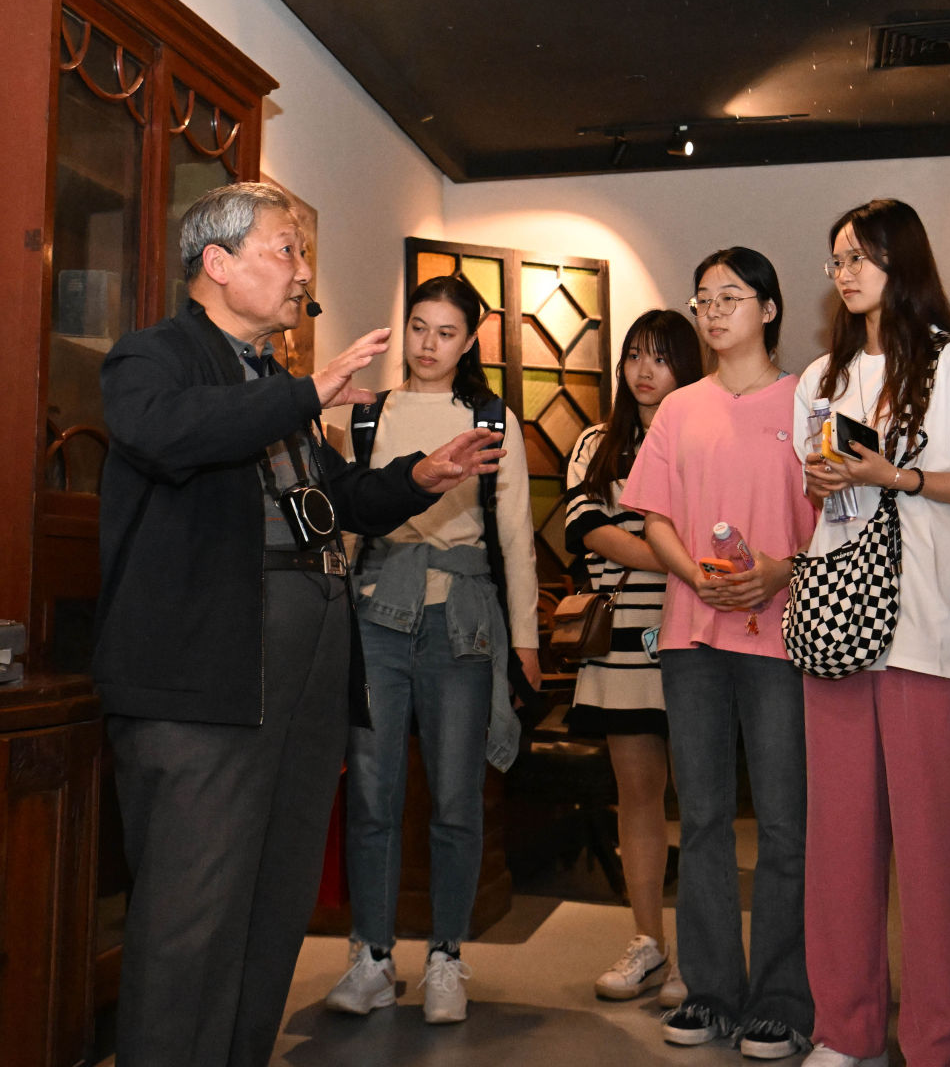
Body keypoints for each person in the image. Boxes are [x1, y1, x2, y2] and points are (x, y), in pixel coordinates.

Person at [95, 183, 504, 1067]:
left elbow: (333, 499)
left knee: (272, 903)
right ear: (217, 262)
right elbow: (163, 432)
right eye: (287, 249)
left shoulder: (273, 384)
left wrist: (418, 477)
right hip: (206, 681)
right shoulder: (153, 358)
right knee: (189, 915)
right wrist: (306, 394)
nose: (304, 273)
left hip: (303, 670)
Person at [792, 198, 950, 1067]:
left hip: (934, 627)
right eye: (837, 258)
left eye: (861, 256)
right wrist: (828, 479)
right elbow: (818, 496)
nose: (845, 272)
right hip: (840, 624)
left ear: (900, 260)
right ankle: (845, 1030)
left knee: (937, 852)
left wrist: (896, 476)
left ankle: (940, 1037)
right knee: (839, 845)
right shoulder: (819, 377)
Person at [323, 274, 540, 1024]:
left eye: (446, 333)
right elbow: (345, 520)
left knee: (455, 795)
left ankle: (447, 956)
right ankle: (372, 957)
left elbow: (516, 532)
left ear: (470, 340)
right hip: (375, 613)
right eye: (418, 327)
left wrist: (525, 641)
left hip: (462, 620)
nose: (428, 344)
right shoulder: (368, 414)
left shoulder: (491, 418)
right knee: (372, 791)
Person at [622, 247, 816, 1059]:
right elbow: (654, 516)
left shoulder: (807, 400)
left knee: (784, 822)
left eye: (730, 297)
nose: (712, 312)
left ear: (768, 309)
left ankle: (783, 1000)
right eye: (703, 299)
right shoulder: (679, 407)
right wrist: (692, 572)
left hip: (780, 634)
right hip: (691, 635)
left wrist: (779, 570)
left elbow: (836, 521)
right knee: (700, 817)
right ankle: (709, 992)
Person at [564, 309, 702, 1005]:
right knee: (638, 794)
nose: (644, 371)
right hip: (623, 636)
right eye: (634, 356)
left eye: (661, 357)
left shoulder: (702, 433)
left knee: (703, 801)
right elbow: (589, 529)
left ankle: (700, 955)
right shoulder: (598, 442)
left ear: (687, 366)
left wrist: (685, 568)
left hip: (699, 625)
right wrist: (679, 560)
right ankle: (649, 941)